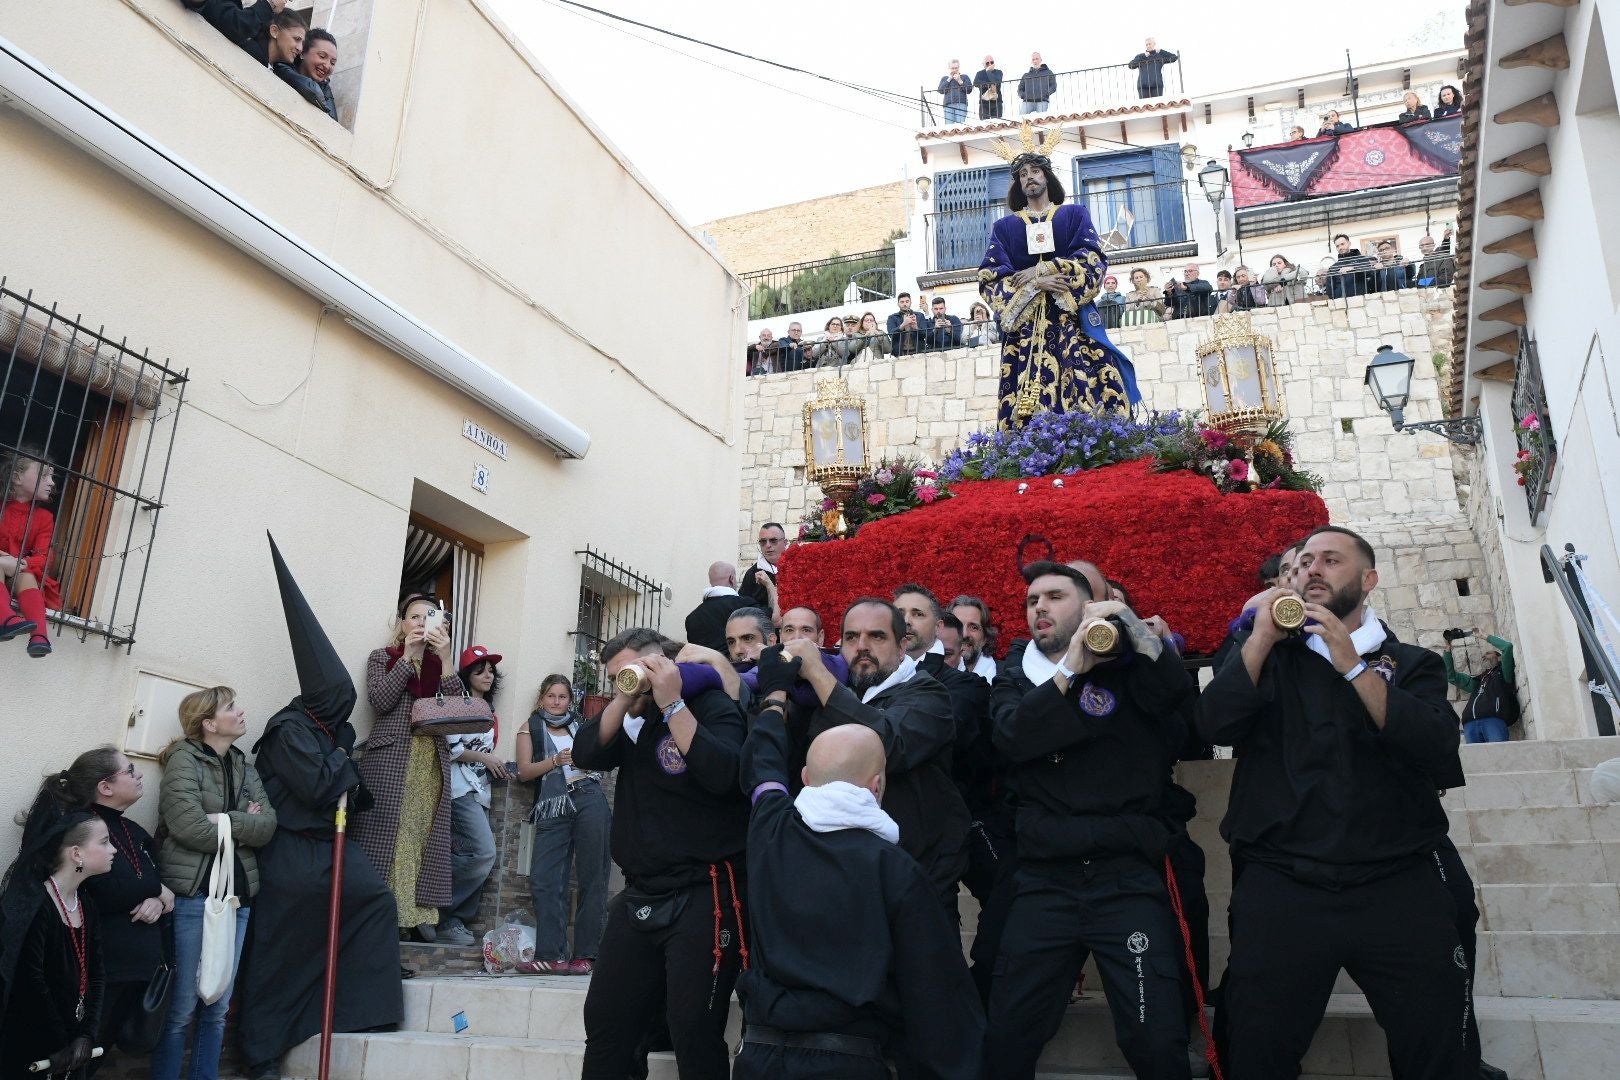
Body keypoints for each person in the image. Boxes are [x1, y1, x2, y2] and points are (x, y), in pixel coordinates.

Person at [1198, 526, 1470, 1079]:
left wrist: (1351, 666)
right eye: (1302, 563)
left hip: (1397, 886)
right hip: (1283, 887)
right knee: (1257, 1050)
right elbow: (1213, 723)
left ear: (1368, 580)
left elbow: (1435, 747)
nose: (1311, 570)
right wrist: (1259, 637)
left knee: (1437, 1049)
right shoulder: (1265, 657)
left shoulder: (1412, 663)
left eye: (1330, 560)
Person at [984, 561, 1197, 1079]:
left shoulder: (1129, 669)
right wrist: (1070, 670)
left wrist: (1134, 627)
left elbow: (1179, 702)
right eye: (1032, 600)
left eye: (1055, 596)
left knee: (1154, 1034)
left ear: (1087, 605)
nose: (1040, 608)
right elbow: (1013, 737)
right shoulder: (1014, 676)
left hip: (1124, 877)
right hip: (1043, 881)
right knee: (1010, 1032)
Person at [732, 679, 985, 1080]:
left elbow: (763, 768)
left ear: (806, 778)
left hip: (757, 1062)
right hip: (849, 1062)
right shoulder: (898, 871)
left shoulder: (769, 831)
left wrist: (774, 701)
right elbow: (935, 997)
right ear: (877, 785)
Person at [238, 537, 400, 1080]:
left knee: (374, 899)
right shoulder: (289, 731)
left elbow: (352, 789)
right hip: (291, 851)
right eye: (340, 699)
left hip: (333, 848)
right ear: (319, 697)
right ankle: (260, 1049)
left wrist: (343, 769)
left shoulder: (329, 733)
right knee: (281, 946)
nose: (347, 707)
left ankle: (360, 1010)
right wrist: (342, 766)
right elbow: (321, 785)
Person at [572, 628, 748, 1080]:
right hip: (639, 894)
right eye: (617, 676)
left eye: (636, 669)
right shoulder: (635, 721)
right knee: (608, 1023)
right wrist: (623, 697)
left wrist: (673, 703)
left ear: (666, 664)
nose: (630, 681)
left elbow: (725, 774)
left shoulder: (713, 706)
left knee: (692, 1027)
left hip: (703, 892)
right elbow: (586, 753)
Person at [777, 600, 971, 920]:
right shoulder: (821, 698)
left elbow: (886, 745)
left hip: (918, 882)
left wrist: (818, 674)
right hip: (840, 880)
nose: (862, 647)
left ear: (902, 646)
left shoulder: (928, 694)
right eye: (851, 638)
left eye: (877, 636)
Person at [152, 688, 276, 1080]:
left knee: (219, 1003)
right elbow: (187, 826)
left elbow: (268, 825)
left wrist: (223, 820)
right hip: (192, 895)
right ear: (208, 723)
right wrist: (242, 818)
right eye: (231, 708)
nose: (242, 712)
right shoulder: (183, 760)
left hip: (238, 897)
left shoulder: (244, 764)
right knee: (183, 1007)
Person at [977, 150, 1141, 427]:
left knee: (1088, 381)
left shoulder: (1073, 215)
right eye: (1023, 174)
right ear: (1019, 183)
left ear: (1047, 176)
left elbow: (1091, 258)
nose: (1030, 178)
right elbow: (990, 277)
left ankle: (1097, 441)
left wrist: (1045, 269)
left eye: (1035, 171)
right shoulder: (1005, 227)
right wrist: (1035, 283)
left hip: (1071, 321)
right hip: (1027, 332)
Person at [354, 593, 463, 942]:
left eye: (428, 617)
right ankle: (388, 913)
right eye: (414, 617)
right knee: (388, 836)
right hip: (390, 758)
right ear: (401, 624)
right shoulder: (382, 658)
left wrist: (445, 658)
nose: (420, 623)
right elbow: (381, 700)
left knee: (420, 836)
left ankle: (416, 914)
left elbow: (457, 712)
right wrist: (409, 657)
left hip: (430, 760)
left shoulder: (438, 663)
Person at [0, 787, 116, 1080]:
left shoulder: (86, 904)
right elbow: (30, 981)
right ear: (76, 853)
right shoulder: (35, 905)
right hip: (32, 1043)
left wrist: (87, 1035)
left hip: (73, 1043)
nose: (112, 849)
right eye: (104, 842)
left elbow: (97, 973)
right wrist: (63, 1040)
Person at [75, 747, 171, 1059]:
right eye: (130, 770)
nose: (140, 773)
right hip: (103, 970)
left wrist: (158, 898)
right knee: (78, 1056)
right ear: (105, 787)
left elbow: (156, 884)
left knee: (99, 1055)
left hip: (139, 969)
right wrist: (155, 890)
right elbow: (100, 891)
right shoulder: (83, 828)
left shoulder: (133, 830)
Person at [514, 675, 611, 975]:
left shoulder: (581, 726)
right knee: (544, 879)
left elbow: (600, 762)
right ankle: (552, 955)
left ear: (571, 700)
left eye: (562, 697)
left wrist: (586, 761)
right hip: (552, 803)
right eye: (551, 696)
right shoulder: (528, 727)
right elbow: (524, 772)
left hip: (589, 796)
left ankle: (587, 955)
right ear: (541, 698)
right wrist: (556, 760)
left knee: (593, 875)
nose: (557, 702)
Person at [436, 645, 505, 947]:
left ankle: (451, 921)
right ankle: (436, 908)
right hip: (458, 789)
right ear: (467, 673)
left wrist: (492, 765)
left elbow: (485, 753)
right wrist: (487, 759)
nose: (488, 674)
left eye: (491, 669)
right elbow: (450, 749)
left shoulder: (490, 712)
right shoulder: (455, 702)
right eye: (481, 668)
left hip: (480, 790)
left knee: (474, 856)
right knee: (484, 853)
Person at [0, 444, 59, 657]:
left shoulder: (44, 517)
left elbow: (44, 556)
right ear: (17, 478)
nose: (51, 482)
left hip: (19, 572)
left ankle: (39, 636)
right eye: (44, 475)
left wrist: (20, 564)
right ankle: (5, 619)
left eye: (51, 477)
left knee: (27, 576)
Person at [1446, 628, 1518, 743]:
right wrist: (1448, 647)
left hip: (1493, 720)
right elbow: (1451, 677)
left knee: (1499, 756)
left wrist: (1483, 636)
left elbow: (1507, 647)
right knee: (1476, 761)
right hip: (1470, 724)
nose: (1484, 656)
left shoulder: (1503, 673)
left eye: (1488, 653)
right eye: (1484, 655)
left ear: (1499, 657)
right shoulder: (1478, 680)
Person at [685, 562, 752, 653]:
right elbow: (775, 620)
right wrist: (769, 586)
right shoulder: (745, 604)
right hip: (737, 665)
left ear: (710, 581)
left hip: (704, 666)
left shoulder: (691, 618)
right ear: (731, 579)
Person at [278, 28, 338, 121]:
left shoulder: (324, 87)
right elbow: (313, 91)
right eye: (322, 56)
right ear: (302, 52)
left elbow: (332, 123)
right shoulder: (282, 65)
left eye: (332, 63)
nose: (327, 66)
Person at [740, 522, 785, 619]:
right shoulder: (752, 574)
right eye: (763, 541)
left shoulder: (797, 566)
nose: (768, 545)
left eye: (773, 540)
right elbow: (744, 607)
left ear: (785, 542)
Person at [949, 596, 998, 682]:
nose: (964, 634)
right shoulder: (926, 675)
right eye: (957, 625)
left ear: (985, 638)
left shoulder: (1004, 679)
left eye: (973, 627)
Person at [242, 7, 306, 68]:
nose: (300, 49)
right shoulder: (248, 54)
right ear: (274, 31)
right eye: (297, 39)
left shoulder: (274, 68)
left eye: (302, 43)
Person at [1327, 234, 1374, 299]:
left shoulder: (1362, 259)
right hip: (1342, 303)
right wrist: (1338, 298)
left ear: (1349, 243)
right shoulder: (1333, 268)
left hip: (1362, 300)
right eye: (1337, 246)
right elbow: (1330, 290)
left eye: (1342, 244)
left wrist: (1353, 268)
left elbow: (1370, 272)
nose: (1340, 247)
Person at [939, 60, 972, 124]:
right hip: (948, 104)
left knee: (961, 127)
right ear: (949, 68)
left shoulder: (964, 77)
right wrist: (949, 79)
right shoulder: (944, 78)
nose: (954, 70)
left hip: (961, 104)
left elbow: (969, 90)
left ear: (959, 68)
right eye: (952, 68)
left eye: (956, 68)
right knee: (949, 128)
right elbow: (940, 90)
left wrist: (960, 81)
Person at [974, 56, 1004, 120]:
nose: (990, 64)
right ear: (984, 64)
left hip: (997, 102)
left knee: (997, 124)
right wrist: (990, 85)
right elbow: (976, 83)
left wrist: (988, 71)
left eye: (991, 62)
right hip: (984, 103)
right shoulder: (979, 73)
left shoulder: (999, 72)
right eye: (987, 63)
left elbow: (997, 82)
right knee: (984, 124)